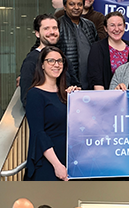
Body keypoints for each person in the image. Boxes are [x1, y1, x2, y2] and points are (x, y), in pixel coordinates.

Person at [25, 46, 78, 181]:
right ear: (42, 65)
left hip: (70, 160)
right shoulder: (34, 94)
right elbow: (38, 133)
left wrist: (77, 98)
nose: (56, 64)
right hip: (49, 163)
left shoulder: (66, 94)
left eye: (60, 61)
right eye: (51, 61)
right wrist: (57, 165)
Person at [56, 0, 98, 88]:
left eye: (79, 4)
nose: (76, 7)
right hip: (67, 83)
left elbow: (97, 51)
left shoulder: (90, 25)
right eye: (71, 4)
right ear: (64, 6)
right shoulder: (57, 26)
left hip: (89, 84)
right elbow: (41, 49)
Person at [21, 14, 61, 103]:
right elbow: (26, 98)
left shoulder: (62, 57)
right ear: (37, 33)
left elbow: (74, 84)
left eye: (55, 28)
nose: (52, 32)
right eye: (46, 28)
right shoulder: (31, 61)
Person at [84, 12, 128, 90]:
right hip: (108, 98)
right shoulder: (97, 48)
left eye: (120, 25)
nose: (117, 29)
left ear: (124, 26)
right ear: (105, 28)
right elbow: (96, 80)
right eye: (112, 25)